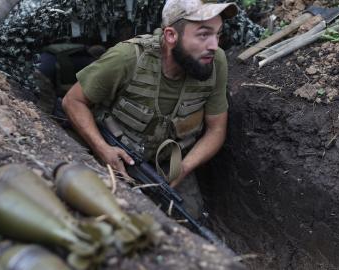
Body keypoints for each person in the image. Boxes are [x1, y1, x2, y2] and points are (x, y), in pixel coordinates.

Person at [62, 0, 238, 219]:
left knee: (188, 217)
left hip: (167, 163)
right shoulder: (127, 58)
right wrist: (102, 149)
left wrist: (183, 167)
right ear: (171, 36)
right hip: (115, 152)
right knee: (104, 208)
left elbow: (216, 130)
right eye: (203, 35)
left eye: (218, 34)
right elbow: (73, 101)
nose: (214, 45)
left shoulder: (215, 62)